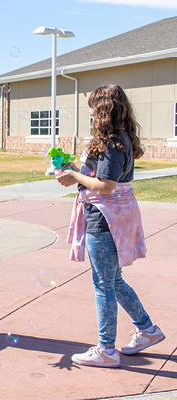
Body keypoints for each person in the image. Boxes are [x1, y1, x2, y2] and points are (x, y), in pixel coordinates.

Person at [57, 84, 165, 368]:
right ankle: (148, 330)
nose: (90, 112)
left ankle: (107, 350)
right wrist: (74, 171)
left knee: (103, 284)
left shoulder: (113, 143)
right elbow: (98, 176)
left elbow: (106, 186)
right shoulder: (119, 139)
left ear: (104, 109)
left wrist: (75, 177)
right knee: (113, 281)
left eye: (94, 106)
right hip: (113, 216)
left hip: (106, 219)